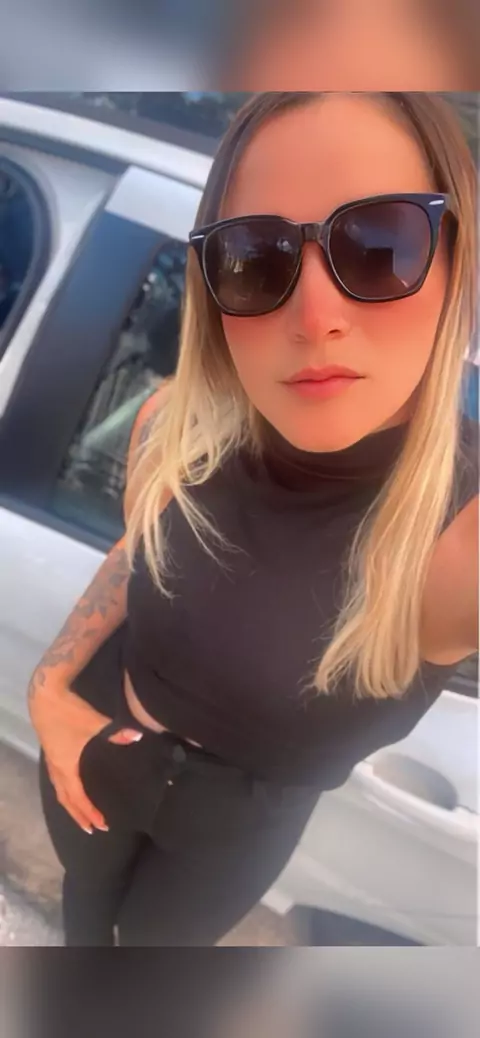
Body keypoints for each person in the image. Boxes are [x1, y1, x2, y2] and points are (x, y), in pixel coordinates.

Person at [30, 91, 478, 947]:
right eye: (252, 259)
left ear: (459, 264)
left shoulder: (461, 536)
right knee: (82, 926)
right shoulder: (174, 426)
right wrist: (48, 688)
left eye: (380, 244)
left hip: (233, 830)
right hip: (96, 742)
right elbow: (139, 550)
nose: (314, 318)